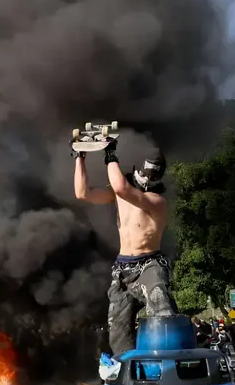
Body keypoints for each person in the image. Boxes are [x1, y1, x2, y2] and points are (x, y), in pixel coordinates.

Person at [73, 138, 177, 354]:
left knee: (162, 312)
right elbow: (83, 193)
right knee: (118, 329)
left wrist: (110, 153)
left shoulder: (157, 201)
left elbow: (121, 188)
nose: (147, 179)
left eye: (153, 175)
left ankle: (170, 360)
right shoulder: (121, 194)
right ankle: (126, 365)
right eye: (146, 174)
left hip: (149, 265)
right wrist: (80, 156)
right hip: (123, 268)